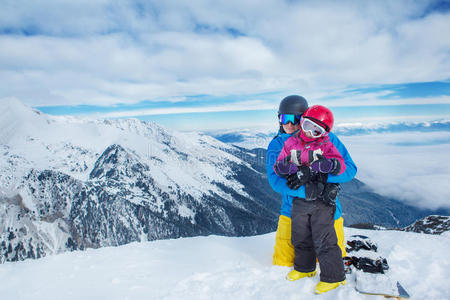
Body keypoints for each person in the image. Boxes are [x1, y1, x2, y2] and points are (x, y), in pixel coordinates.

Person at [265, 96, 356, 283]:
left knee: (333, 260)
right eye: (284, 119)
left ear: (305, 118)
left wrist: (317, 177)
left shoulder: (328, 139)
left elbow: (349, 170)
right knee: (282, 267)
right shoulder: (277, 144)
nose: (289, 125)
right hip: (291, 214)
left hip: (328, 212)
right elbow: (275, 180)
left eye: (295, 119)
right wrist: (306, 191)